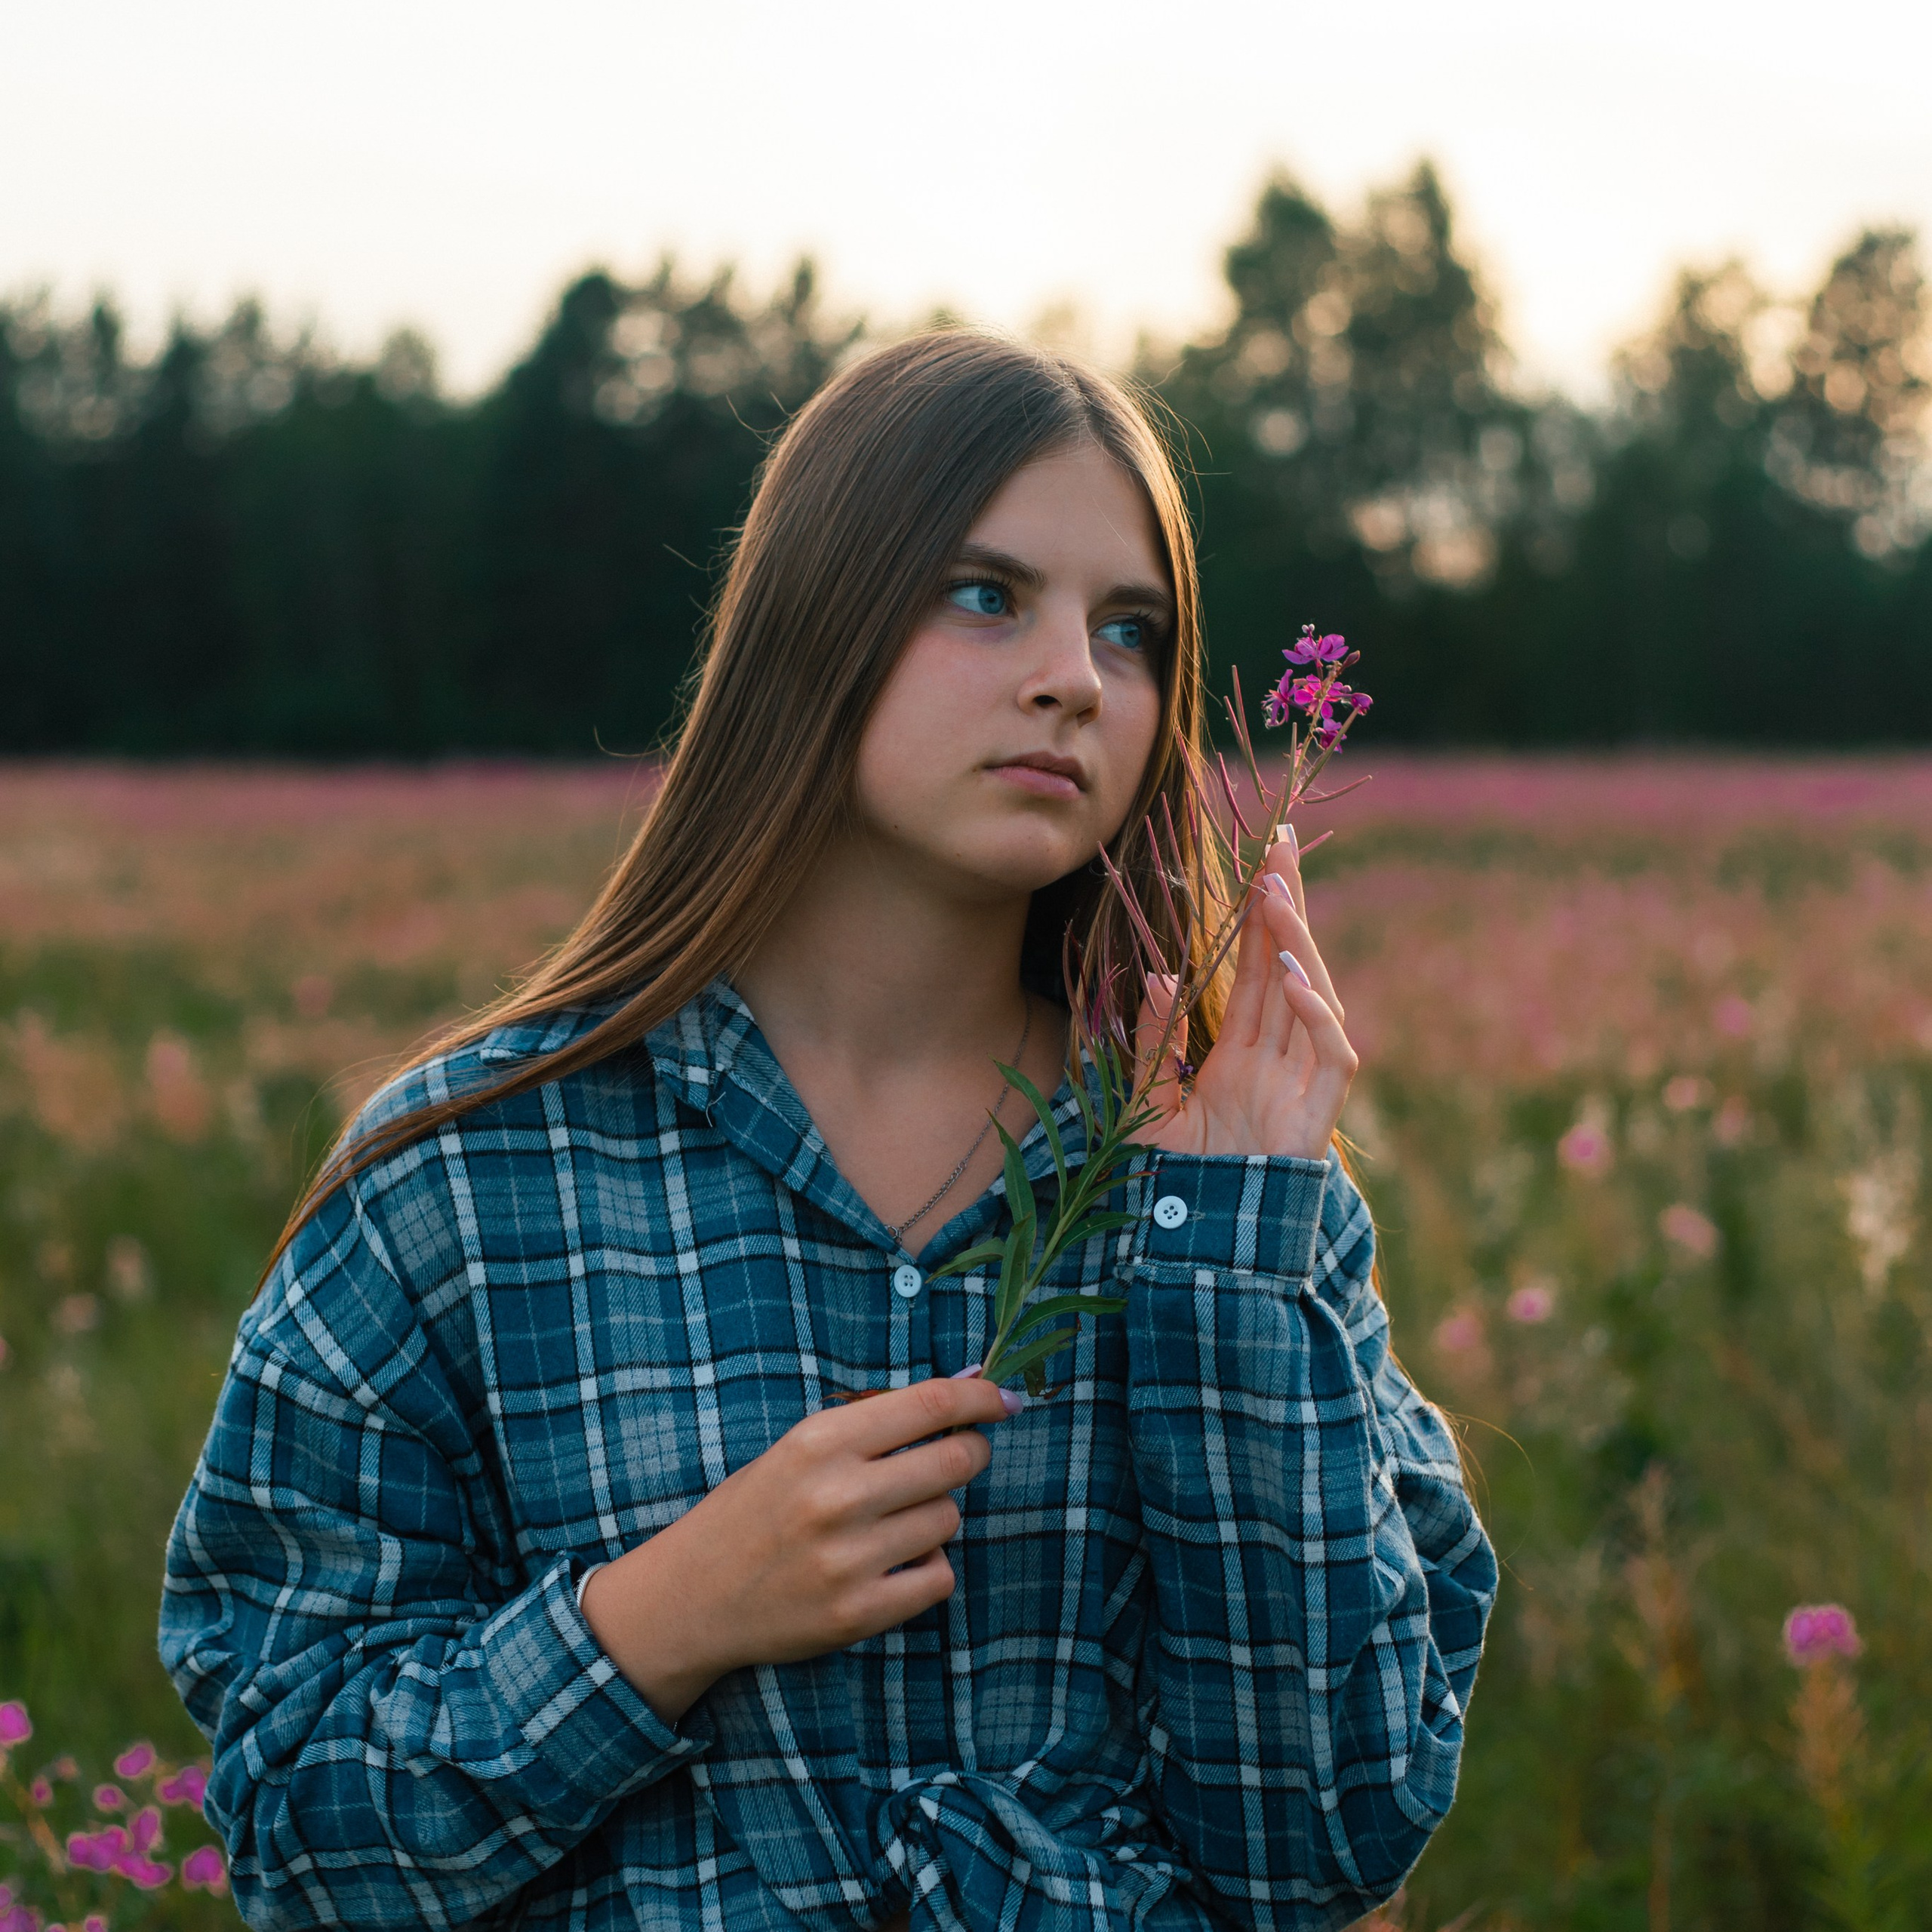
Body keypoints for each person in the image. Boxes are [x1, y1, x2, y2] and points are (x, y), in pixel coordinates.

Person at [160, 330, 1495, 1931]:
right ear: (815, 620)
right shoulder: (461, 1181)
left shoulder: (1223, 1189)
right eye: (984, 594)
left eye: (1128, 629)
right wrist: (658, 1616)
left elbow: (1325, 1848)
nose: (1075, 674)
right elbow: (297, 1834)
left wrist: (1219, 1270)